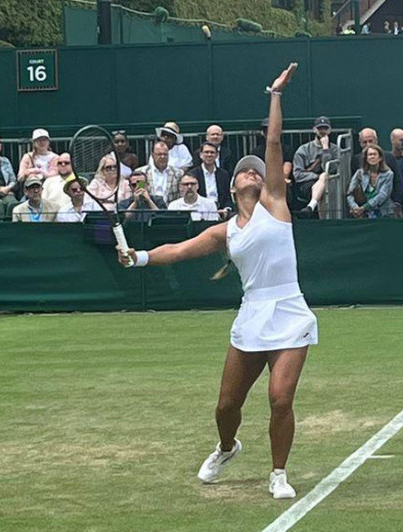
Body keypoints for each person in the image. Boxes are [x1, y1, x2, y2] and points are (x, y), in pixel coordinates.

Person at [117, 64, 315, 500]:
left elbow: (275, 142)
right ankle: (228, 447)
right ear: (232, 188)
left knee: (280, 398)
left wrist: (275, 95)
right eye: (244, 171)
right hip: (252, 314)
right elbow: (180, 250)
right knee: (227, 407)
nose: (252, 172)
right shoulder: (225, 230)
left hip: (290, 311)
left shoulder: (277, 204)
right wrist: (140, 256)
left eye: (257, 170)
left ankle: (278, 472)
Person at [291, 116, 339, 217]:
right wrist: (317, 176)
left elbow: (332, 170)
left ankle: (311, 207)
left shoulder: (335, 150)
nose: (322, 131)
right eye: (319, 128)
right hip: (307, 183)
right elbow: (297, 175)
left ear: (330, 130)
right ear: (314, 130)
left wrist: (326, 149)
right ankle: (323, 222)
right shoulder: (303, 150)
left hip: (330, 182)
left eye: (325, 128)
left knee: (326, 184)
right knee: (323, 188)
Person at [346, 145, 394, 218]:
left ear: (380, 158)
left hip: (384, 214)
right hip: (363, 215)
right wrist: (355, 208)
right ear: (366, 158)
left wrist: (364, 208)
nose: (372, 157)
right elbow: (350, 193)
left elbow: (383, 195)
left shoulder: (389, 174)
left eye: (374, 154)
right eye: (370, 155)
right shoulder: (359, 173)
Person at [187, 141, 233, 212]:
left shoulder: (224, 174)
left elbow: (228, 196)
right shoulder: (193, 174)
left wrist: (226, 209)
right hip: (200, 211)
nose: (209, 155)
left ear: (217, 155)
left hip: (221, 211)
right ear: (200, 155)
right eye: (206, 152)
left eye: (212, 152)